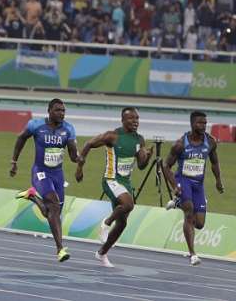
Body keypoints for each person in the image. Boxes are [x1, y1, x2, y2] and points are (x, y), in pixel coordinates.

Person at [76, 107, 152, 268]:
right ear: (123, 120)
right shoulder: (112, 136)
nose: (135, 122)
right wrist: (79, 168)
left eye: (137, 119)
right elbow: (89, 144)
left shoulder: (140, 140)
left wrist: (148, 157)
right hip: (110, 179)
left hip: (125, 182)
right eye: (131, 119)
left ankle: (102, 253)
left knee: (123, 223)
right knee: (128, 204)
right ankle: (106, 223)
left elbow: (141, 165)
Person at [10, 98, 79, 262]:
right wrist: (14, 161)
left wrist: (79, 157)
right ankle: (60, 249)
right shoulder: (35, 125)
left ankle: (32, 195)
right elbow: (21, 139)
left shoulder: (68, 129)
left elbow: (73, 155)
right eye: (57, 110)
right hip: (40, 172)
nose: (61, 113)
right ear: (49, 111)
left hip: (58, 175)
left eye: (63, 111)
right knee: (53, 204)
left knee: (53, 213)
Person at [162, 111, 225, 266]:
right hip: (183, 180)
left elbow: (214, 162)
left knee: (200, 224)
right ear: (192, 124)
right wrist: (174, 185)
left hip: (198, 185)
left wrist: (218, 181)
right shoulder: (180, 144)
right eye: (199, 123)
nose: (203, 126)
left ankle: (177, 203)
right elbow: (166, 165)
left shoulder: (210, 142)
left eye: (205, 123)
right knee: (189, 212)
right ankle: (193, 254)